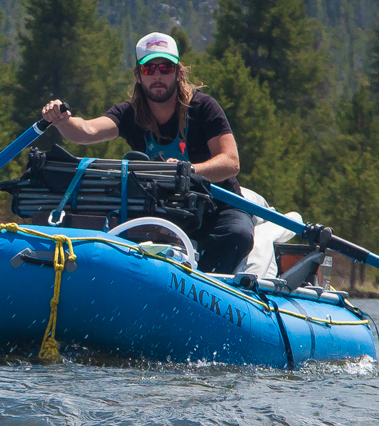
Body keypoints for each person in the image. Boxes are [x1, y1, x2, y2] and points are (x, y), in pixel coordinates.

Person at [39, 32, 254, 274]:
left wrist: (187, 171)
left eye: (165, 67)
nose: (157, 76)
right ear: (138, 76)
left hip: (219, 206)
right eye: (149, 69)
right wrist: (63, 121)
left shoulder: (204, 108)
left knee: (238, 235)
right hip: (164, 210)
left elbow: (231, 162)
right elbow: (87, 131)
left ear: (178, 73)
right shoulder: (129, 114)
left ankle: (206, 283)